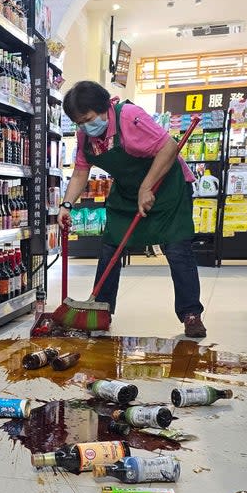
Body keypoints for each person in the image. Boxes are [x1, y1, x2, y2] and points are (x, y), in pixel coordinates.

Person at [58, 81, 206, 338]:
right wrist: (66, 205)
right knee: (110, 247)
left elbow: (169, 147)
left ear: (104, 108)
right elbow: (81, 171)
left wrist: (147, 187)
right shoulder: (86, 135)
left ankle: (191, 313)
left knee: (177, 249)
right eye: (79, 123)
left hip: (167, 188)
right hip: (127, 193)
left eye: (88, 119)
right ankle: (100, 310)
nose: (84, 127)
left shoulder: (129, 116)